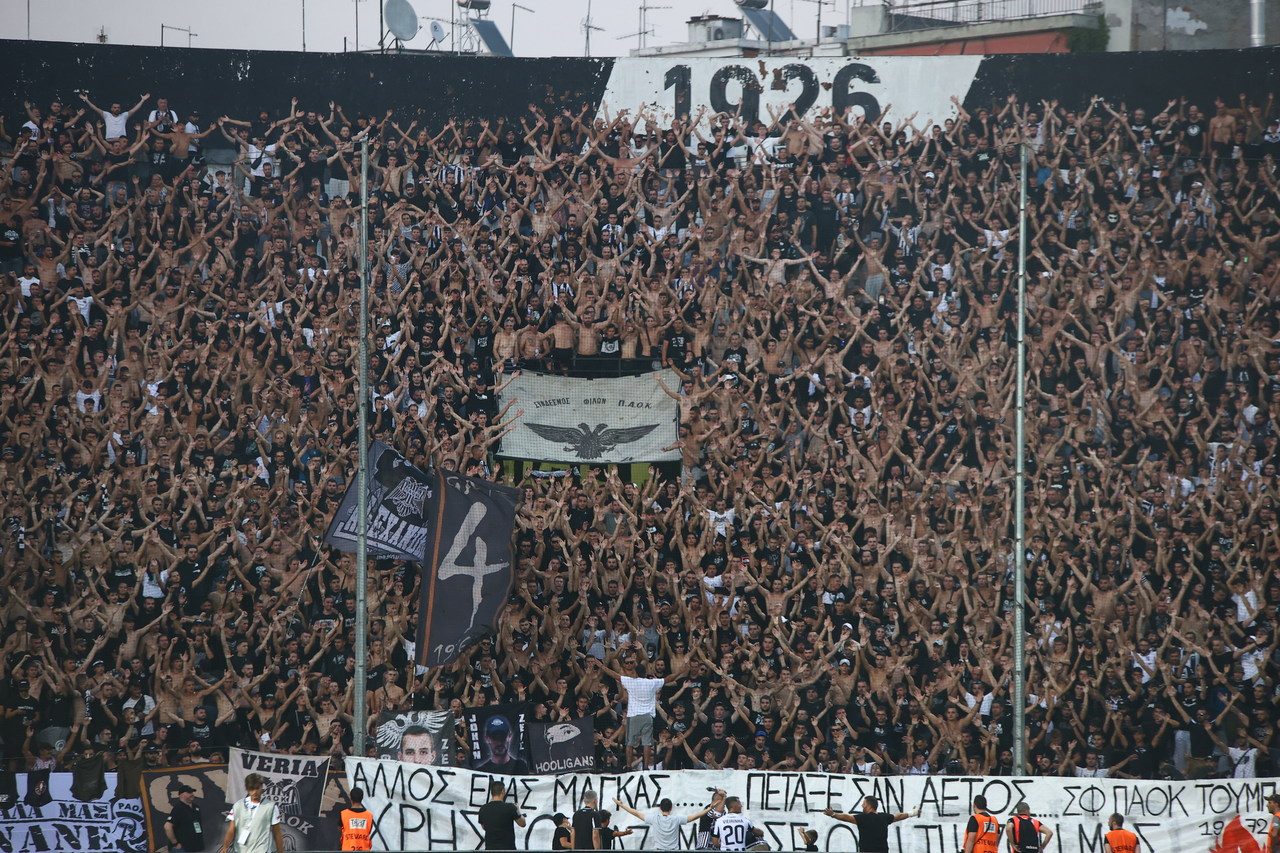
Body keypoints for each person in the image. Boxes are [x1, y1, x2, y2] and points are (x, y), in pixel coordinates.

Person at [612, 794, 718, 851]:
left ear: (660, 808)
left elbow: (636, 813)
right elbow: (696, 816)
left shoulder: (654, 818)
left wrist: (621, 805)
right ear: (671, 808)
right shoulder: (676, 819)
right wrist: (710, 808)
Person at [824, 797, 920, 853]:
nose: (862, 805)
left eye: (864, 804)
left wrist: (833, 814)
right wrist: (912, 813)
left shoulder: (863, 818)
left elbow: (847, 817)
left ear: (869, 806)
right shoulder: (884, 817)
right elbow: (898, 816)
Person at [221, 773, 284, 853]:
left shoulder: (271, 807)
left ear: (262, 787)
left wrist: (281, 851)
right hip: (241, 850)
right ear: (247, 788)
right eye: (252, 788)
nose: (255, 792)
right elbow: (231, 830)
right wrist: (225, 847)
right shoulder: (238, 806)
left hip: (262, 850)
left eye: (257, 788)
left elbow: (277, 832)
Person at [477, 781, 526, 851]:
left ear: (492, 793)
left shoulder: (483, 809)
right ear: (503, 791)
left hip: (490, 849)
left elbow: (484, 827)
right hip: (508, 849)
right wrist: (517, 810)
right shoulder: (510, 807)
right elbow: (522, 823)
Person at [165, 784, 205, 852]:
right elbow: (167, 827)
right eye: (189, 792)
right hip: (183, 848)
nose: (192, 794)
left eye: (192, 792)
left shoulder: (196, 807)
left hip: (196, 847)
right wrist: (175, 843)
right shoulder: (178, 808)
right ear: (181, 795)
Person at [339, 787, 373, 852]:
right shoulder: (369, 815)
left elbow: (340, 827)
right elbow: (369, 829)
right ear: (362, 798)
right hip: (364, 849)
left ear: (351, 798)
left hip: (347, 849)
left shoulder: (344, 814)